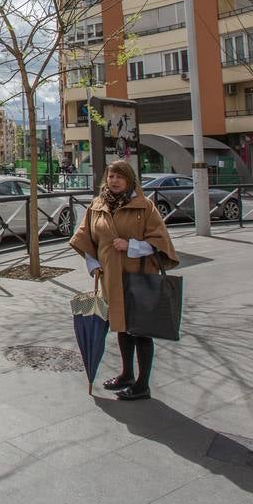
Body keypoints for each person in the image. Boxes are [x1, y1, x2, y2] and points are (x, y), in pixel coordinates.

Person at [69, 160, 179, 401]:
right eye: (111, 176)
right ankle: (126, 374)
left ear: (129, 180)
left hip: (138, 277)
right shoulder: (97, 205)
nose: (114, 181)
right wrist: (92, 263)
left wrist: (131, 246)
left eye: (119, 177)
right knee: (122, 327)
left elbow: (160, 241)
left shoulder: (145, 207)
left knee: (141, 330)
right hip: (111, 277)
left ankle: (142, 384)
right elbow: (86, 236)